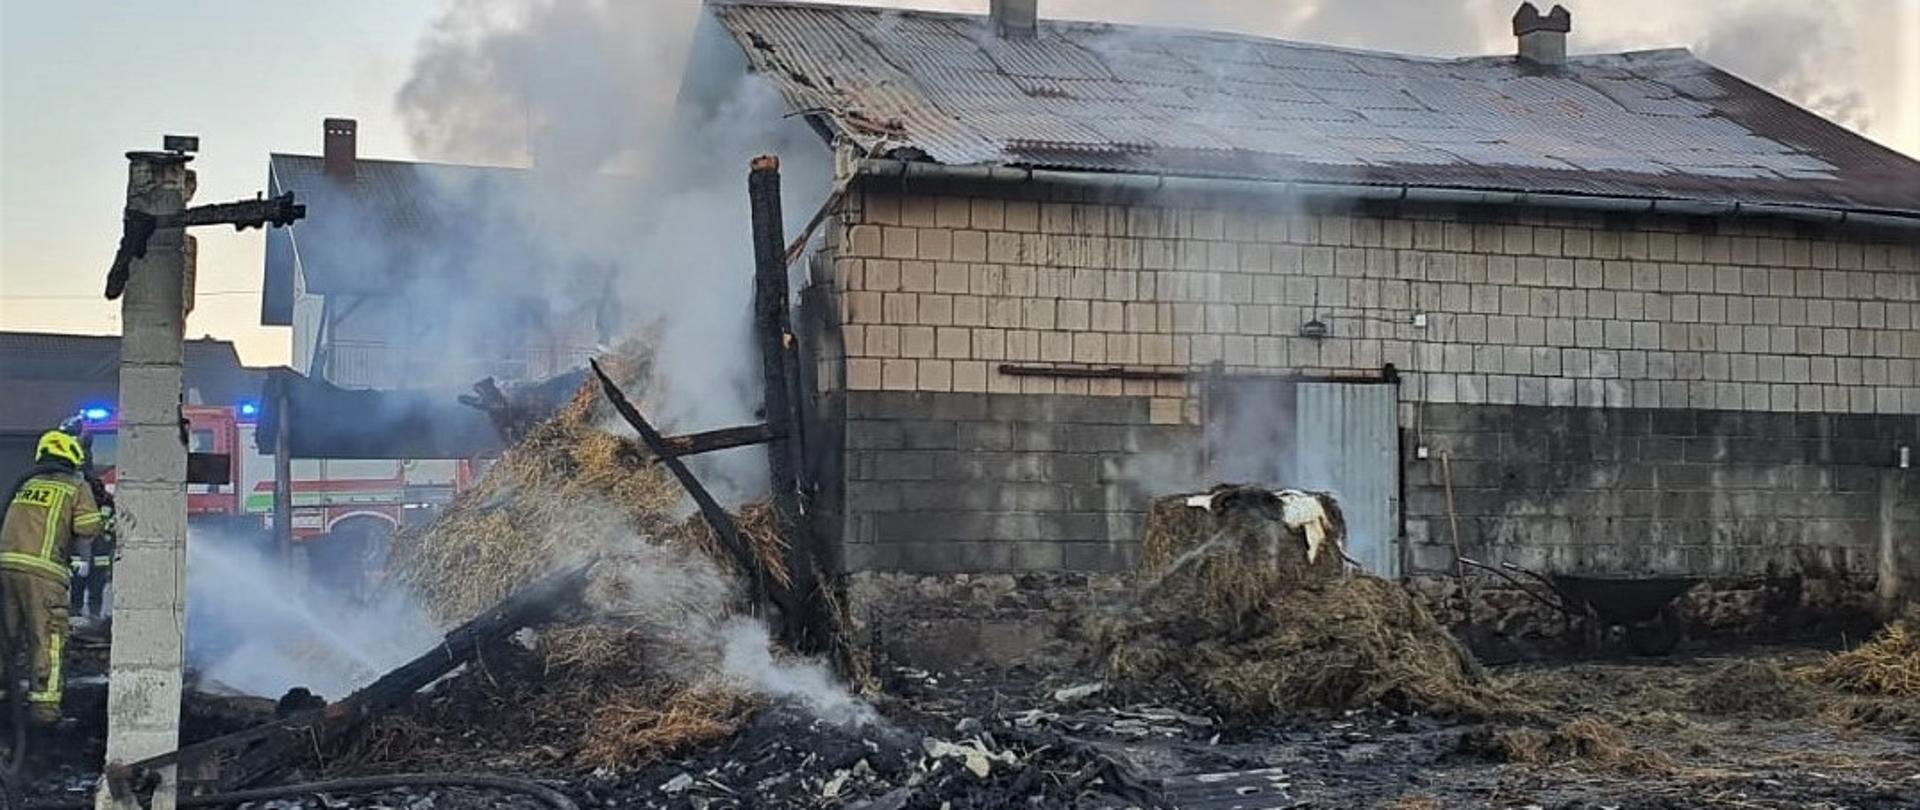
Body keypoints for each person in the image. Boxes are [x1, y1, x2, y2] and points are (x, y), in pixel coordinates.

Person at [0, 431, 107, 724]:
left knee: (5, 637)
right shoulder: (74, 486)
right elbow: (87, 527)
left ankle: (4, 701)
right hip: (43, 574)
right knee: (48, 637)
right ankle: (45, 712)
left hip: (5, 568)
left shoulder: (27, 484)